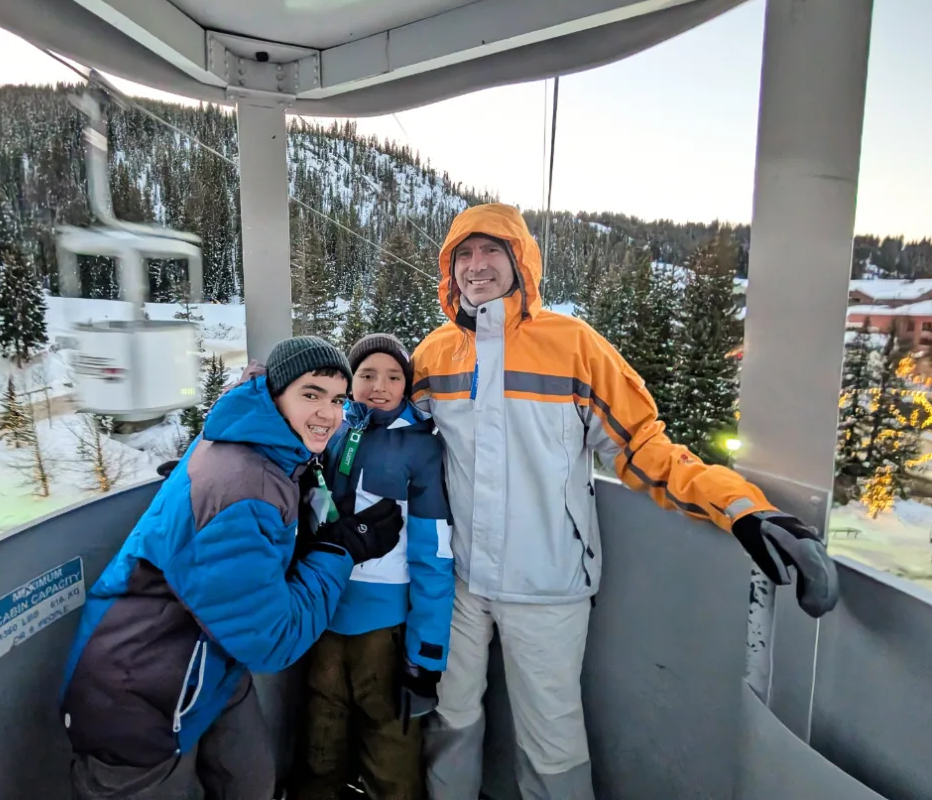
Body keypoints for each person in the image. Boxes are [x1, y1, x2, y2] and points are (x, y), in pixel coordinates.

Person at [411, 203, 840, 800]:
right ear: (448, 267)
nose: (476, 265)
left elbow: (644, 448)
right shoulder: (435, 355)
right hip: (457, 578)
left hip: (549, 582)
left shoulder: (574, 346)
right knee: (449, 718)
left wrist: (743, 508)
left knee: (551, 739)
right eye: (463, 253)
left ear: (520, 262)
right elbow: (388, 430)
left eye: (491, 251)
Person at [59, 336, 406, 800]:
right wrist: (340, 551)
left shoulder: (266, 446)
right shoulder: (241, 488)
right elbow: (273, 639)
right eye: (311, 394)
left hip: (209, 662)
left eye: (337, 399)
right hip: (139, 689)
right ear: (276, 393)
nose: (328, 413)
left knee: (251, 782)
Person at [291, 334, 455, 800]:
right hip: (324, 612)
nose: (378, 386)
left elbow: (434, 554)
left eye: (392, 376)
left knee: (390, 743)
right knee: (320, 738)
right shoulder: (333, 430)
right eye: (366, 375)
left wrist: (426, 654)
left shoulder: (421, 449)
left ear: (407, 385)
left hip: (384, 629)